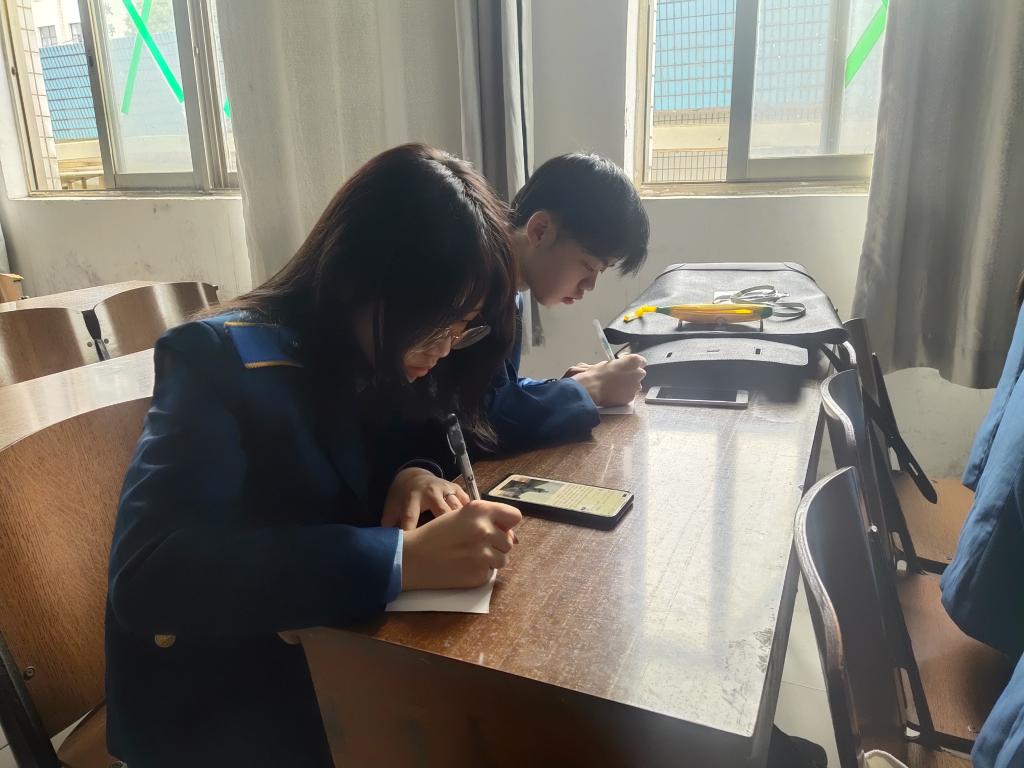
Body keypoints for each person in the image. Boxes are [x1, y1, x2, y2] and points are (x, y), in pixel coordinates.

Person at [105, 144, 523, 767]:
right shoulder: (218, 360)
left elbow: (374, 453)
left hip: (327, 667)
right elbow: (151, 575)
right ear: (361, 280)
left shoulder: (373, 350)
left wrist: (412, 474)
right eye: (435, 323)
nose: (444, 348)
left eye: (462, 327)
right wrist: (399, 560)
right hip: (218, 710)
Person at [487, 153, 651, 450]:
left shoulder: (509, 293)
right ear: (540, 231)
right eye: (589, 265)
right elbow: (480, 422)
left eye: (600, 271)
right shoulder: (475, 292)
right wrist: (588, 388)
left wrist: (562, 387)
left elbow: (500, 391)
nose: (590, 285)